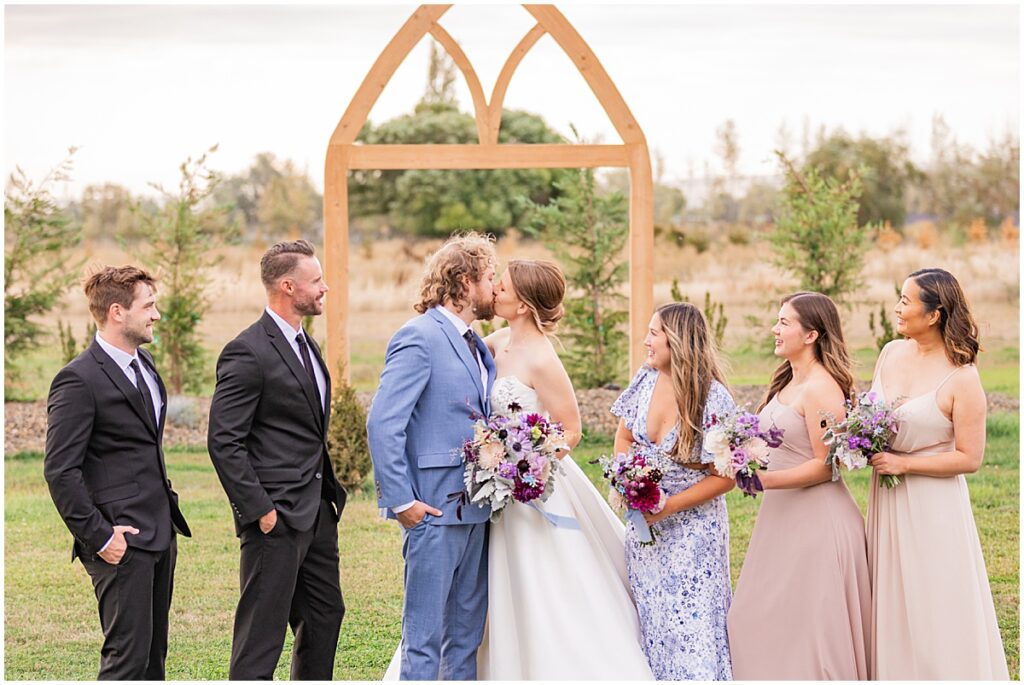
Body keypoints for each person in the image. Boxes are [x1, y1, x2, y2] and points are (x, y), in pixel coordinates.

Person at [208, 239, 347, 680]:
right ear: (288, 286)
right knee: (261, 636)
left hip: (317, 513)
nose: (325, 288)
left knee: (325, 616)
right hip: (276, 517)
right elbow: (223, 441)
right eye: (317, 280)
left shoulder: (308, 346)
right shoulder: (247, 351)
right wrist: (261, 512)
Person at [44, 265, 191, 680]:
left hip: (159, 533)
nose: (156, 314)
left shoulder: (144, 365)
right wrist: (101, 536)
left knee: (152, 661)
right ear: (116, 312)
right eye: (149, 306)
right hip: (118, 542)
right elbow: (60, 471)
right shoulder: (77, 380)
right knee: (125, 663)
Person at [866, 268, 1008, 679]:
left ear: (934, 314)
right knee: (891, 595)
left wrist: (904, 463)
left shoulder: (962, 377)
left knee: (935, 597)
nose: (897, 307)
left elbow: (969, 457)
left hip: (933, 505)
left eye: (906, 301)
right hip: (888, 497)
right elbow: (871, 415)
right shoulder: (891, 352)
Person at [368, 233, 498, 680]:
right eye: (490, 278)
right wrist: (402, 502)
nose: (496, 288)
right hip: (432, 512)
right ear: (465, 281)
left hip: (477, 511)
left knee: (465, 639)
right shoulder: (418, 337)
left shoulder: (476, 343)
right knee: (423, 642)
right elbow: (384, 423)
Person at [727, 292, 871, 679]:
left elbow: (828, 468)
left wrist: (762, 479)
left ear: (811, 335)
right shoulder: (786, 383)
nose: (775, 329)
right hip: (781, 519)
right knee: (752, 618)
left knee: (812, 632)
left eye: (784, 322)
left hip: (817, 523)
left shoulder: (822, 388)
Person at [611, 302, 735, 680]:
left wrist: (670, 506)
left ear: (677, 340)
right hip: (646, 531)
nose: (645, 341)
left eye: (654, 333)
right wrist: (628, 478)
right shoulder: (645, 379)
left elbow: (726, 476)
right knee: (655, 622)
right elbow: (623, 435)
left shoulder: (713, 399)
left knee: (692, 628)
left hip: (695, 532)